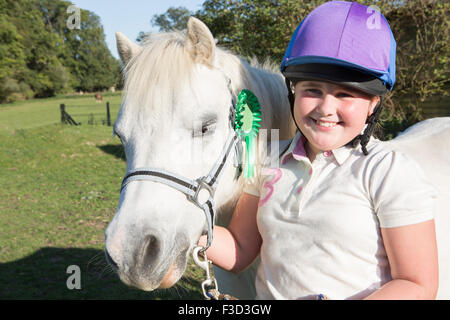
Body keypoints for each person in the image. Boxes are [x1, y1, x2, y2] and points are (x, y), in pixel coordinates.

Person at [198, 1, 438, 300]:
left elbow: (416, 284)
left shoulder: (387, 170)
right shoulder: (266, 158)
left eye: (345, 94)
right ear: (293, 91)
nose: (326, 108)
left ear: (372, 105)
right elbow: (240, 249)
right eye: (312, 90)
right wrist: (186, 227)